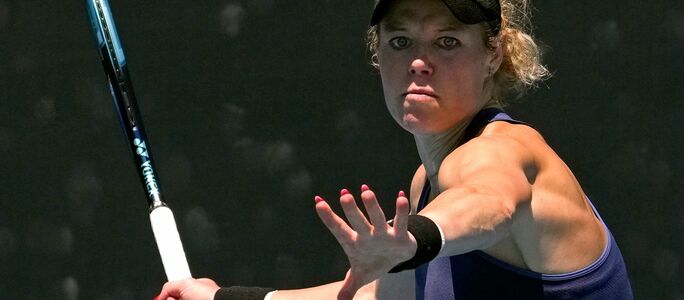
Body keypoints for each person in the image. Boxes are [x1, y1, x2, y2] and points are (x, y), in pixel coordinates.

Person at [157, 0, 633, 299]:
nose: (420, 63)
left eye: (447, 41)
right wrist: (223, 299)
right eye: (401, 41)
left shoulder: (503, 149)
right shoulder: (428, 182)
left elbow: (492, 201)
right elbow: (375, 297)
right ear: (378, 52)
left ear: (495, 53)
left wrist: (418, 239)